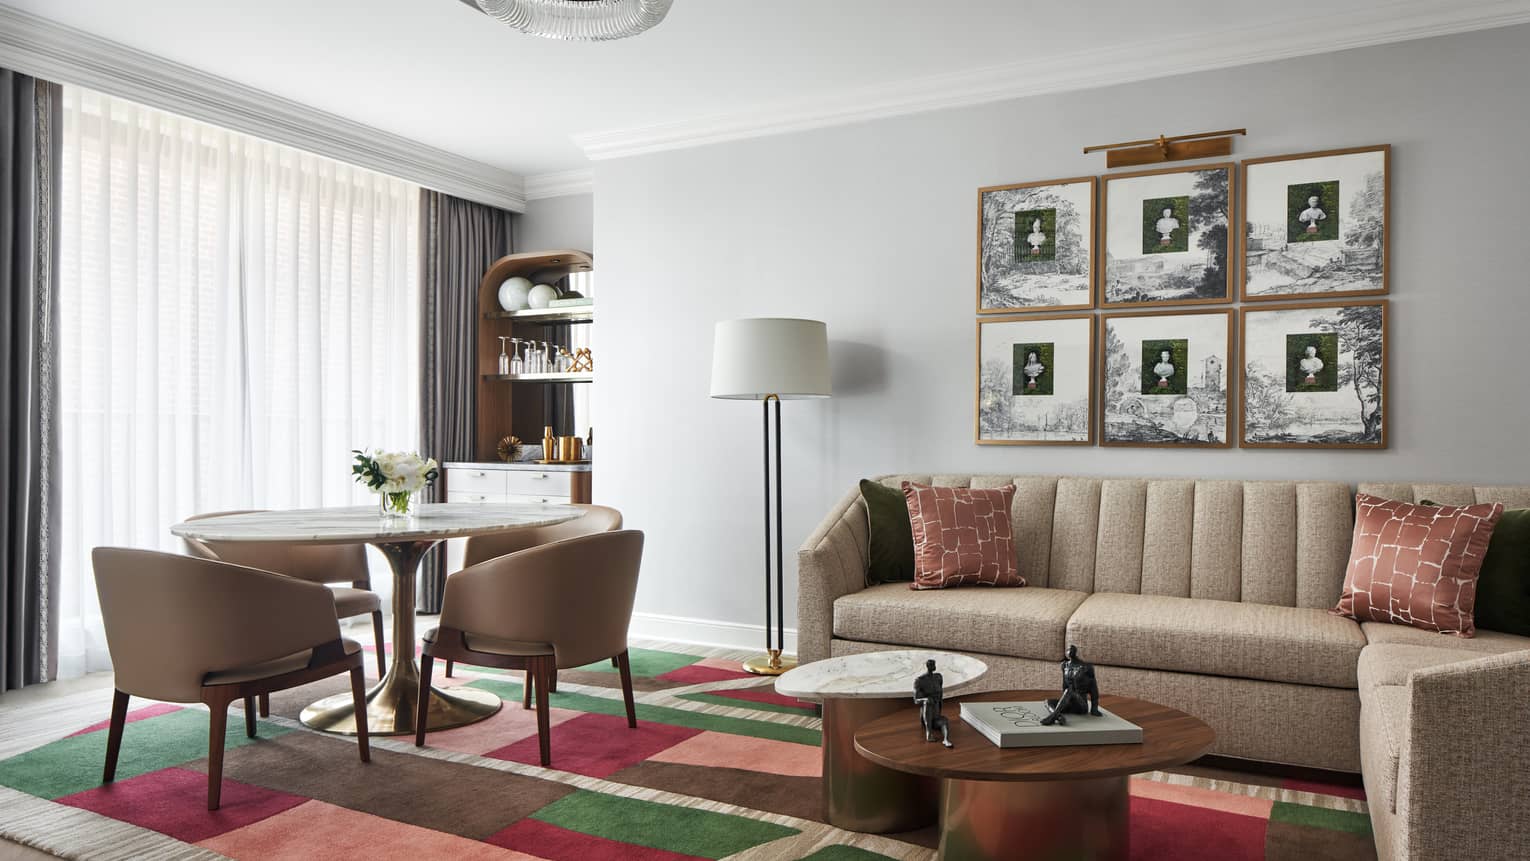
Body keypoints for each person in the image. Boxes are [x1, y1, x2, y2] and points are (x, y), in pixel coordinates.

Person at [913, 659, 953, 748]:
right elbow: (916, 700)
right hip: (927, 715)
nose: (933, 666)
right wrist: (925, 699)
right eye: (931, 665)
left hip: (936, 714)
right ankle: (929, 733)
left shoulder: (938, 677)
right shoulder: (920, 681)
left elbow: (940, 693)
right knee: (928, 702)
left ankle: (946, 740)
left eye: (934, 664)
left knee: (944, 721)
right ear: (927, 666)